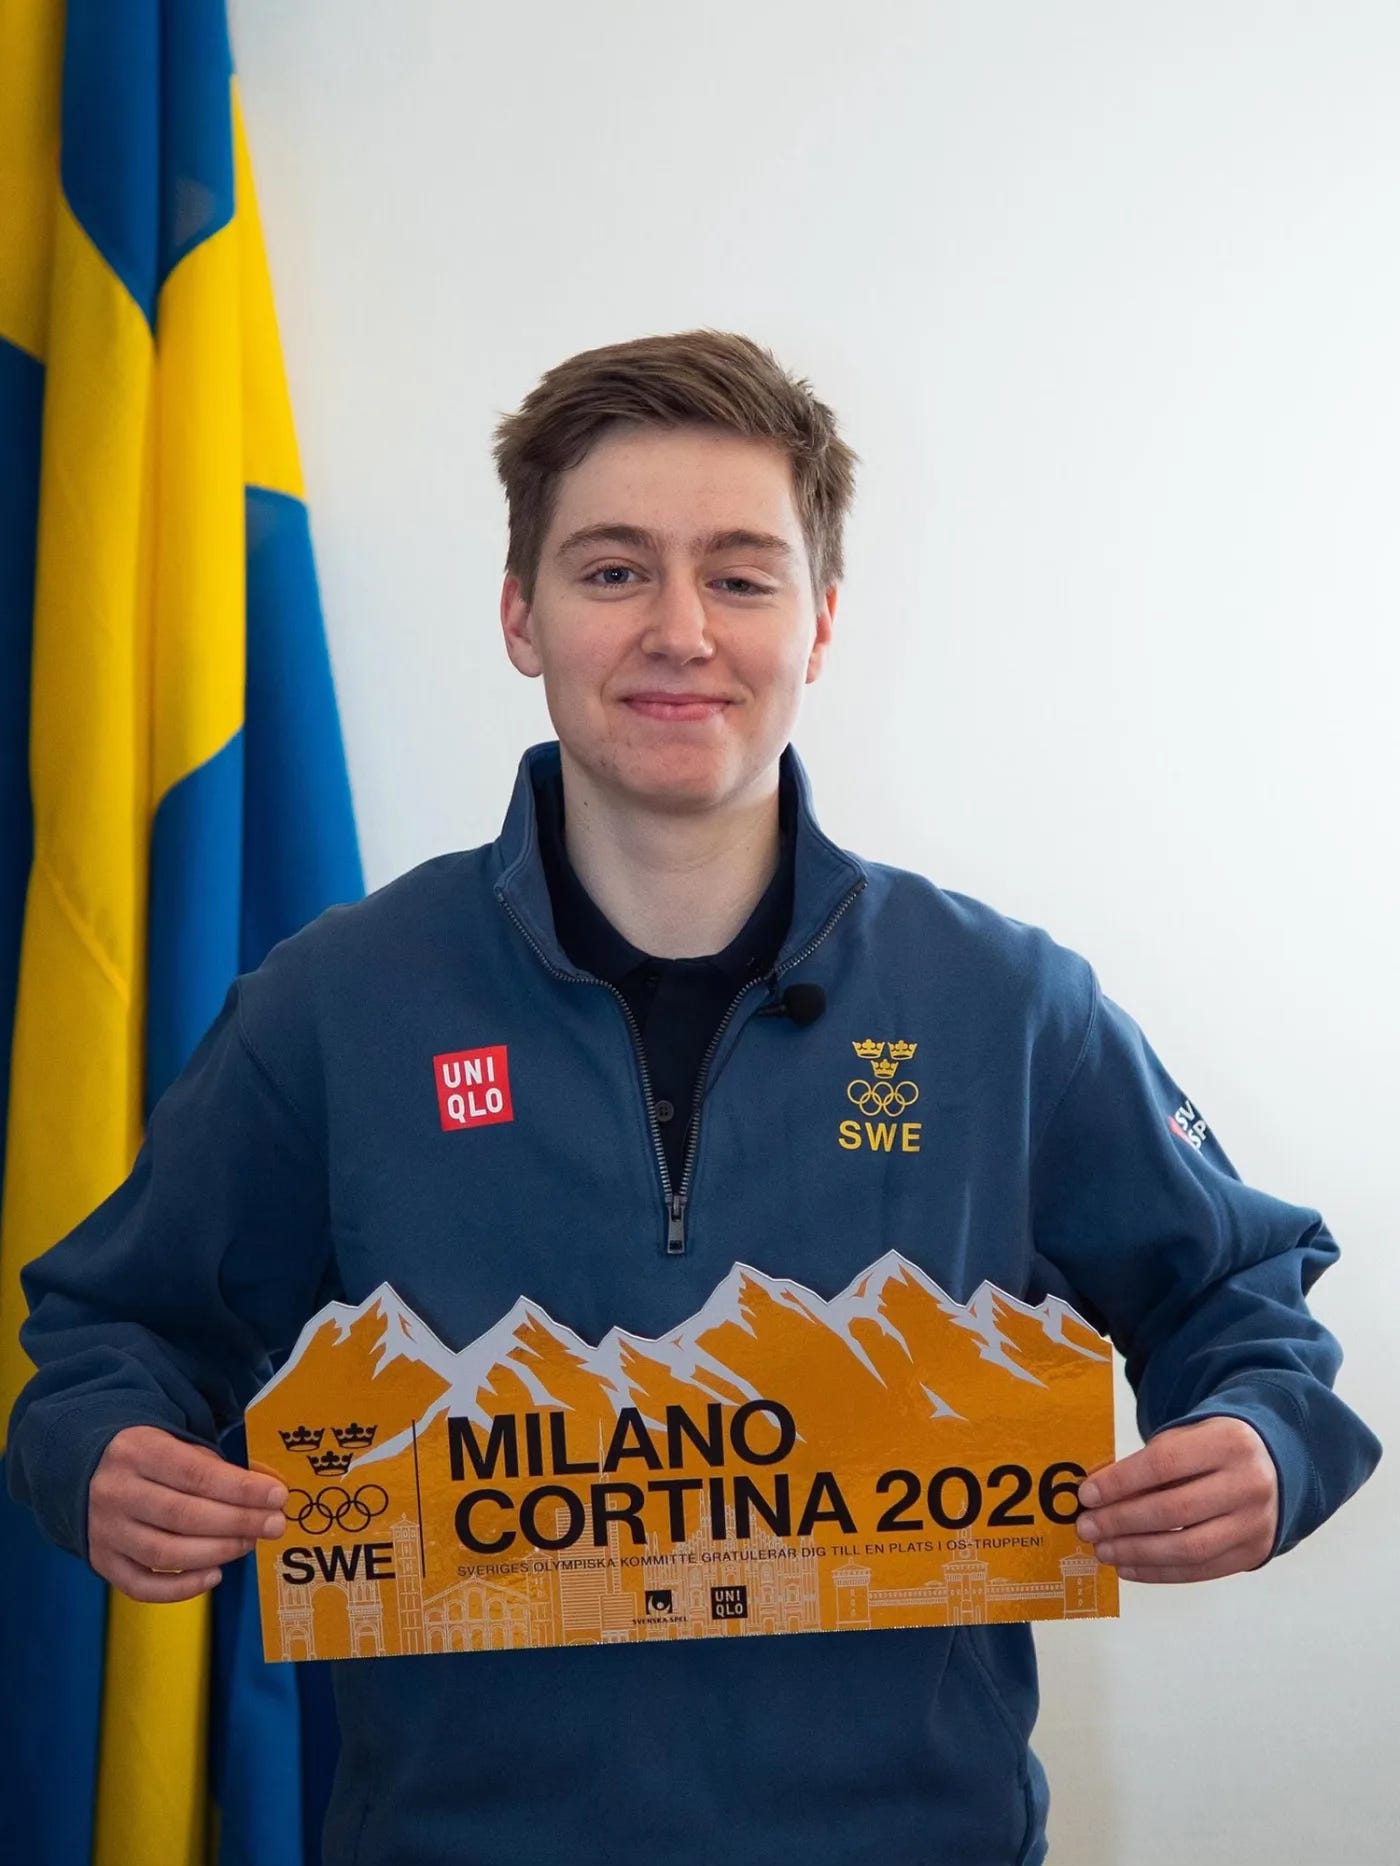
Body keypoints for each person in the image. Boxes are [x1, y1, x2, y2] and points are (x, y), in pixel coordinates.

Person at [7, 330, 1381, 1866]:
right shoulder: (334, 1007)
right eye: (613, 571)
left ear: (822, 619)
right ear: (520, 614)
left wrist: (1264, 1440)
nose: (680, 630)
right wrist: (100, 1453)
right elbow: (112, 1335)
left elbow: (1243, 1297)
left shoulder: (1005, 1007)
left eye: (740, 575)